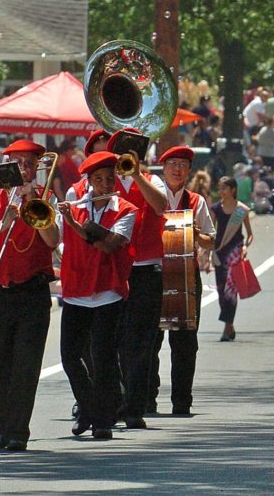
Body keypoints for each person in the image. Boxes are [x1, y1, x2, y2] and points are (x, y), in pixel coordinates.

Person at [0, 139, 60, 451]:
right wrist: (2, 223)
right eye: (18, 163)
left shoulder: (46, 198)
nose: (24, 169)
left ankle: (17, 431)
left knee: (26, 364)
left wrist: (35, 201)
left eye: (30, 164)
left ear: (37, 168)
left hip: (32, 291)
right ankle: (4, 421)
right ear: (6, 166)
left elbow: (52, 240)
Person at [57, 151, 138, 440]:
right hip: (77, 288)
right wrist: (64, 217)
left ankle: (102, 421)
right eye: (99, 180)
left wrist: (76, 223)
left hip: (107, 291)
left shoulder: (126, 209)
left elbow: (109, 245)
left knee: (103, 357)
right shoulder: (76, 202)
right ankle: (90, 408)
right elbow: (58, 240)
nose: (105, 185)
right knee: (69, 356)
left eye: (109, 179)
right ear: (89, 182)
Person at [100, 129, 169, 429]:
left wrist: (138, 174)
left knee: (141, 343)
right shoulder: (105, 183)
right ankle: (113, 401)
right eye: (121, 153)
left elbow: (161, 206)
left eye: (131, 153)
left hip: (145, 269)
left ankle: (134, 407)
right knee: (112, 340)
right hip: (114, 267)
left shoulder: (152, 180)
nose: (125, 158)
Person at [149, 146, 216, 416]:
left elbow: (211, 240)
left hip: (187, 275)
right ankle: (146, 398)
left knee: (185, 341)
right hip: (154, 274)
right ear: (163, 168)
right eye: (172, 164)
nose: (177, 169)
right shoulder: (152, 194)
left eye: (183, 165)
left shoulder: (196, 201)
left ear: (189, 171)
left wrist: (198, 235)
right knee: (151, 340)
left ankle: (181, 401)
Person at [211, 176, 254, 342]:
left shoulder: (241, 210)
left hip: (235, 253)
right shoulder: (215, 209)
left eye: (224, 188)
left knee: (231, 291)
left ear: (233, 190)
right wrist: (206, 254)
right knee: (222, 291)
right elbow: (210, 232)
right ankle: (230, 325)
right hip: (220, 253)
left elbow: (250, 235)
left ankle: (227, 326)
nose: (221, 191)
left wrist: (245, 247)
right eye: (220, 188)